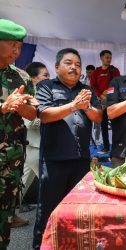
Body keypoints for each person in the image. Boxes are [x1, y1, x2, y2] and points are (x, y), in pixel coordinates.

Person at [33, 48, 102, 249]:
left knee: (78, 210)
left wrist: (86, 106)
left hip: (81, 160)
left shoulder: (87, 90)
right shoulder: (47, 86)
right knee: (48, 211)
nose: (74, 68)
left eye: (78, 64)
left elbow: (98, 117)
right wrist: (73, 105)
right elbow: (44, 114)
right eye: (69, 63)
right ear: (57, 67)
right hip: (54, 159)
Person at [0, 19, 37, 249]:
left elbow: (32, 114)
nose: (16, 50)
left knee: (5, 216)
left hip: (11, 158)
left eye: (19, 47)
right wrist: (3, 107)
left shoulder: (22, 77)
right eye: (12, 45)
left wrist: (20, 106)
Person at [20, 62, 50, 205]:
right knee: (50, 185)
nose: (49, 78)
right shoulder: (33, 95)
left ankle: (10, 214)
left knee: (21, 184)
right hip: (36, 148)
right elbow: (30, 122)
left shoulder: (40, 93)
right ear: (34, 79)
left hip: (31, 147)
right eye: (45, 75)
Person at [90, 50, 120, 153]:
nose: (109, 59)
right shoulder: (96, 71)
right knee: (103, 125)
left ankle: (117, 148)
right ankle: (106, 147)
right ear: (101, 58)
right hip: (101, 102)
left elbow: (117, 84)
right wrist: (100, 95)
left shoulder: (114, 70)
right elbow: (93, 86)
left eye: (110, 57)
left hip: (112, 101)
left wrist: (109, 92)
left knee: (116, 124)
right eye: (107, 57)